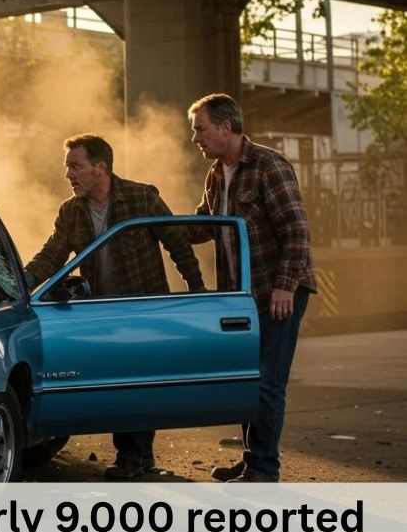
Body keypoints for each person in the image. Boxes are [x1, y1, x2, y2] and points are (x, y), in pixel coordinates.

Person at [26, 133, 204, 480]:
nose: (68, 174)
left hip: (144, 309)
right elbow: (52, 255)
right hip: (102, 312)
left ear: (100, 167)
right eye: (68, 167)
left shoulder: (141, 197)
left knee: (138, 382)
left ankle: (130, 458)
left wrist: (195, 291)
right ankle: (141, 457)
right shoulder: (71, 211)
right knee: (120, 382)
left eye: (75, 166)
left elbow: (178, 244)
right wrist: (22, 281)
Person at [187, 93, 316, 483]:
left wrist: (284, 287)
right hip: (242, 297)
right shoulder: (216, 174)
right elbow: (205, 225)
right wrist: (161, 223)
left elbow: (296, 229)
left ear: (226, 128)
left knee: (267, 382)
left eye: (200, 129)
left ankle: (264, 468)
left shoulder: (268, 165)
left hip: (276, 291)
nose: (196, 138)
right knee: (246, 381)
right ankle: (252, 459)